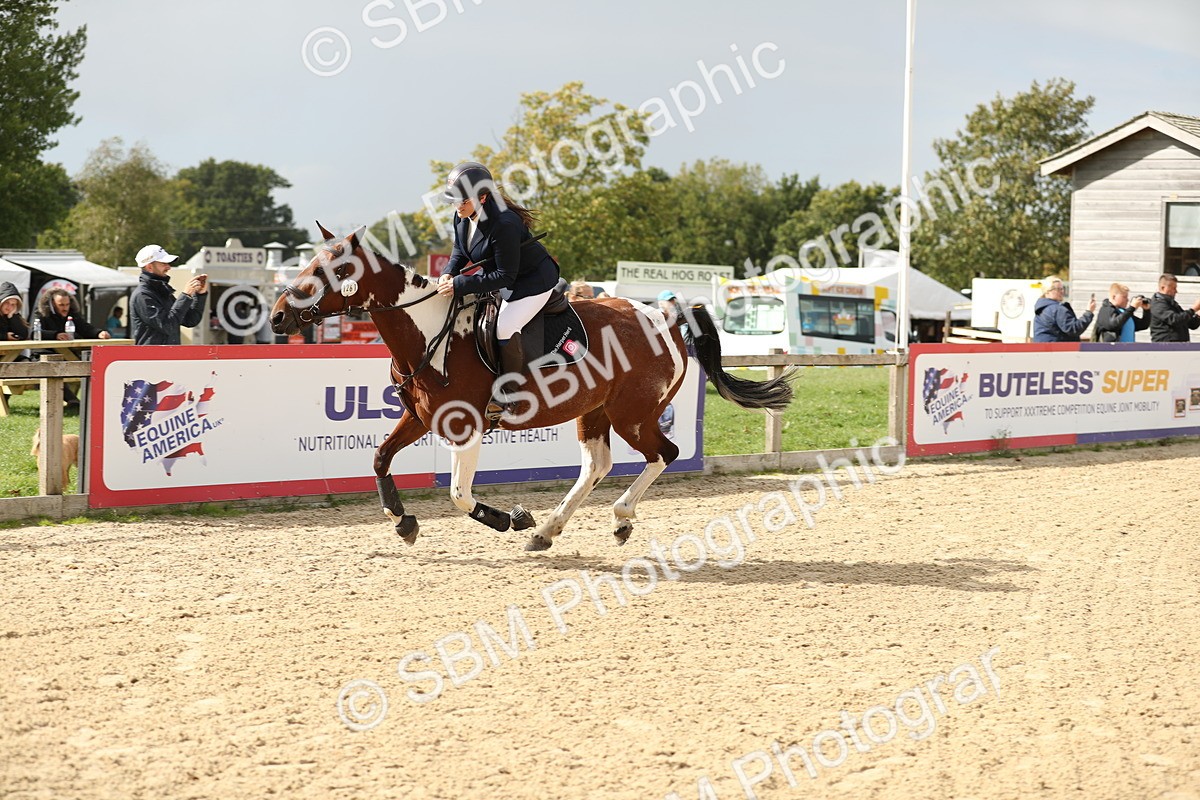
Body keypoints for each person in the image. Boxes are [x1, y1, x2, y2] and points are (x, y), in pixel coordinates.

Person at [434, 162, 560, 420]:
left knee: (504, 327)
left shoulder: (504, 223)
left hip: (532, 281)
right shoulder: (462, 215)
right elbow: (459, 250)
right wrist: (449, 272)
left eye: (463, 200)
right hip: (501, 277)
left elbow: (505, 276)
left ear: (482, 197)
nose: (458, 206)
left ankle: (509, 394)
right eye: (455, 200)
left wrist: (460, 284)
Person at [129, 244, 207, 345]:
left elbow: (190, 320)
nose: (168, 267)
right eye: (163, 263)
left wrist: (200, 294)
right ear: (149, 267)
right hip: (151, 355)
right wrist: (185, 295)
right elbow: (168, 326)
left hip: (170, 354)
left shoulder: (162, 291)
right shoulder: (142, 295)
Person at [1032, 276, 1094, 342]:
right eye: (1058, 289)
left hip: (1042, 346)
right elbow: (1073, 329)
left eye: (1062, 288)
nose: (1062, 291)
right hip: (1057, 347)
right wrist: (1088, 312)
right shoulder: (1057, 309)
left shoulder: (1041, 308)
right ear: (1047, 291)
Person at [36, 288, 110, 340]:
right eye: (61, 305)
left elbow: (85, 328)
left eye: (67, 304)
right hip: (45, 352)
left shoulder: (72, 314)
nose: (65, 308)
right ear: (53, 304)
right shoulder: (41, 314)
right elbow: (34, 333)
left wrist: (99, 333)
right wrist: (55, 335)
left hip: (68, 351)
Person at [1149, 273, 1200, 342]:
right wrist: (1193, 309)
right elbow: (1175, 320)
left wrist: (1198, 315)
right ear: (1163, 288)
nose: (1176, 291)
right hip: (1164, 345)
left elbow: (1190, 324)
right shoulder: (1158, 304)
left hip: (1179, 345)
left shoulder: (1172, 304)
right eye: (1173, 288)